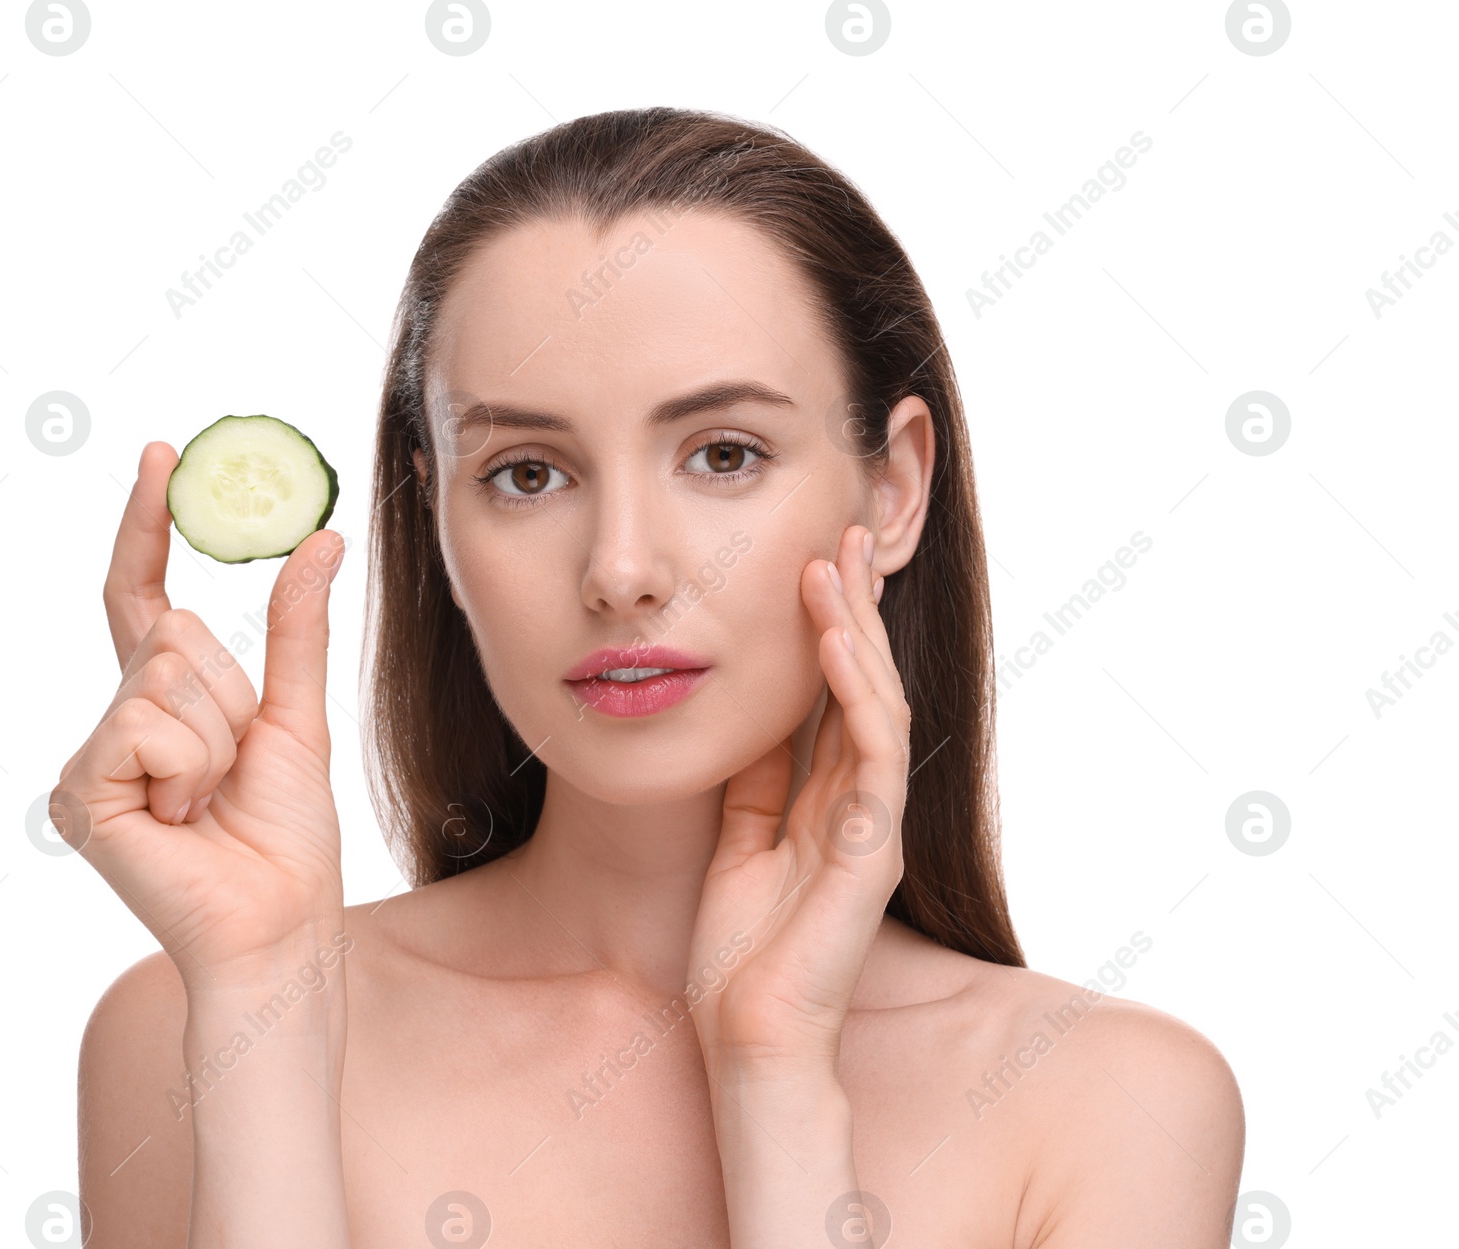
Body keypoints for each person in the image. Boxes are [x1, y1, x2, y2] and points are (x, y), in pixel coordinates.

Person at [61, 107, 1244, 1247]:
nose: (621, 570)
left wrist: (776, 1074)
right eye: (527, 474)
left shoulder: (1113, 1105)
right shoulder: (187, 1023)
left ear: (892, 490)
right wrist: (264, 1000)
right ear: (433, 515)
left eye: (724, 454)